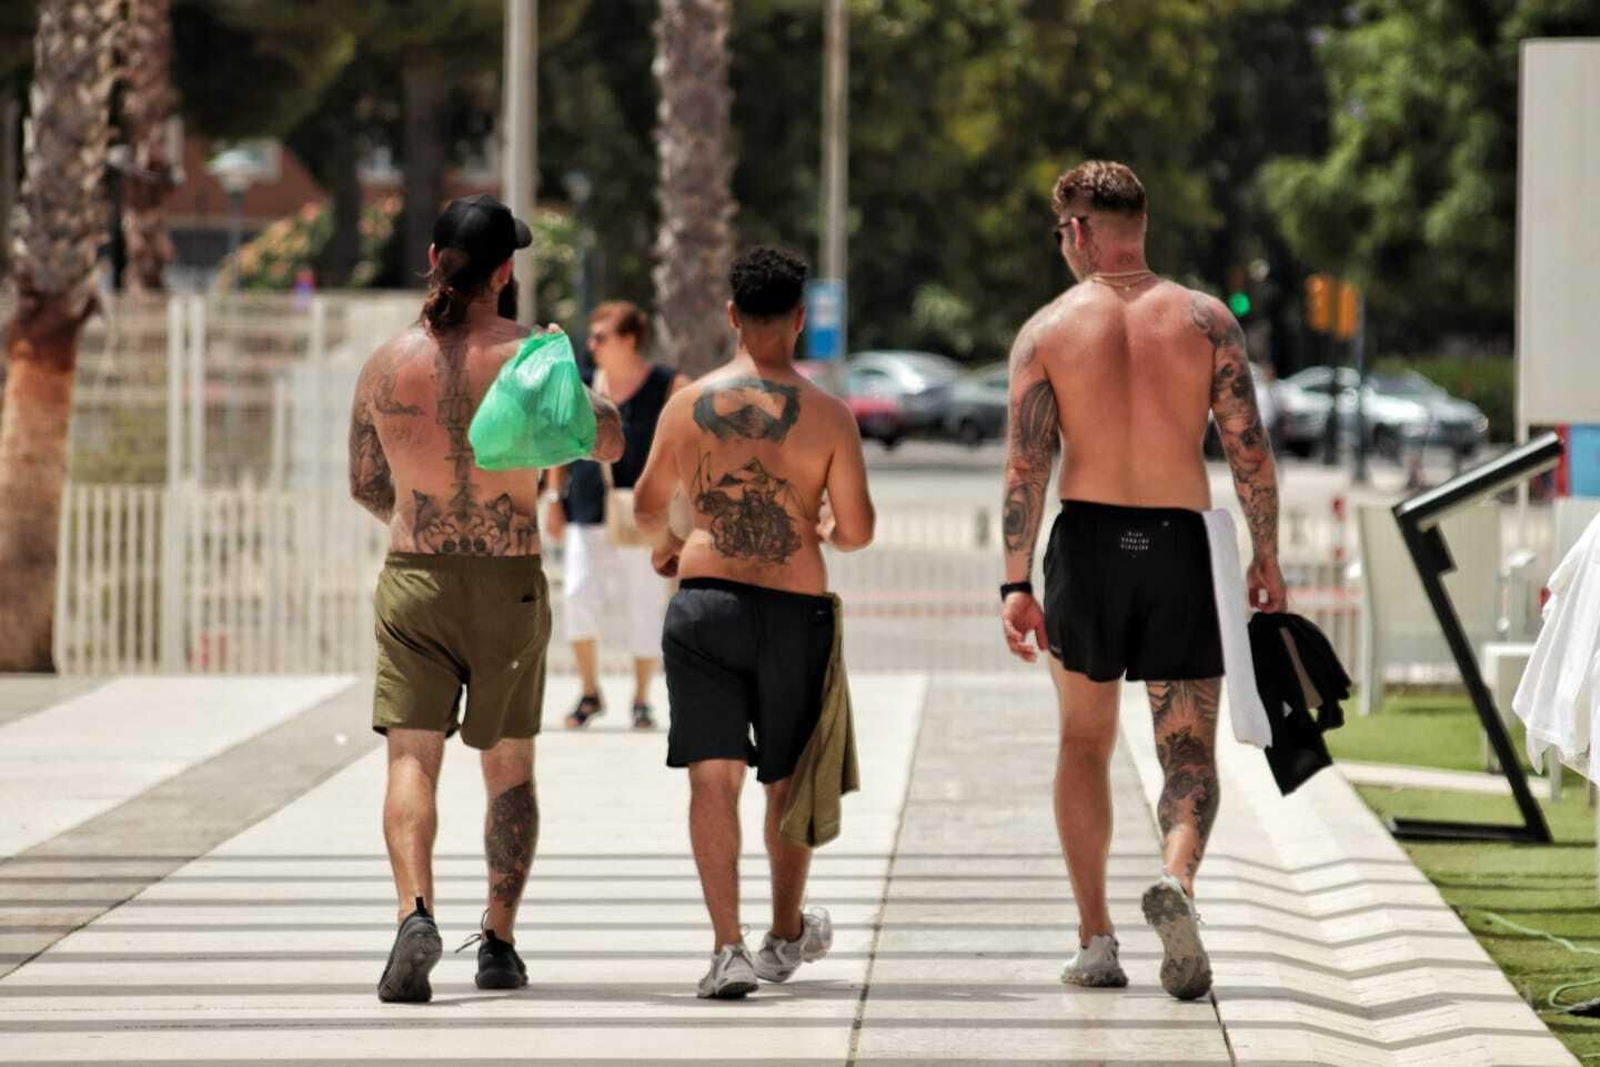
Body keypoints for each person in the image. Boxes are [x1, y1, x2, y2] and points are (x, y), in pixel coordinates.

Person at [997, 162, 1284, 1001]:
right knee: (1187, 748)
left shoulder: (1047, 329)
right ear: (1141, 222)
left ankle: (1095, 940)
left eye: (1062, 233)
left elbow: (1026, 466)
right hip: (1181, 544)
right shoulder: (1204, 322)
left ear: (1080, 230)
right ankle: (1179, 881)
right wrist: (1264, 552)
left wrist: (1014, 582)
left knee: (1083, 742)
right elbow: (1247, 448)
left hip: (1087, 545)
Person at [347, 193, 623, 1003]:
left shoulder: (384, 364)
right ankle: (498, 940)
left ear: (434, 260)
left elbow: (367, 484)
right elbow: (607, 440)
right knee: (508, 765)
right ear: (505, 272)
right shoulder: (531, 355)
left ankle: (413, 913)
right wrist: (578, 389)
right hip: (506, 580)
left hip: (415, 577)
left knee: (410, 755)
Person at [632, 246, 876, 999]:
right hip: (791, 611)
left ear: (732, 315)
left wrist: (671, 544)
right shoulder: (829, 416)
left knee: (713, 778)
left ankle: (727, 948)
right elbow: (858, 530)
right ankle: (781, 935)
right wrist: (826, 527)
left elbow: (645, 503)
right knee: (786, 778)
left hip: (703, 606)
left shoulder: (685, 404)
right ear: (800, 320)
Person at [543, 302, 689, 730]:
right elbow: (562, 443)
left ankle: (642, 698)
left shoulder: (667, 384)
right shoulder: (584, 383)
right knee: (576, 594)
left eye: (601, 337)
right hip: (586, 507)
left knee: (645, 603)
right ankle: (590, 691)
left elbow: (688, 440)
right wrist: (553, 498)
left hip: (644, 514)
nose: (591, 346)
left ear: (629, 340)